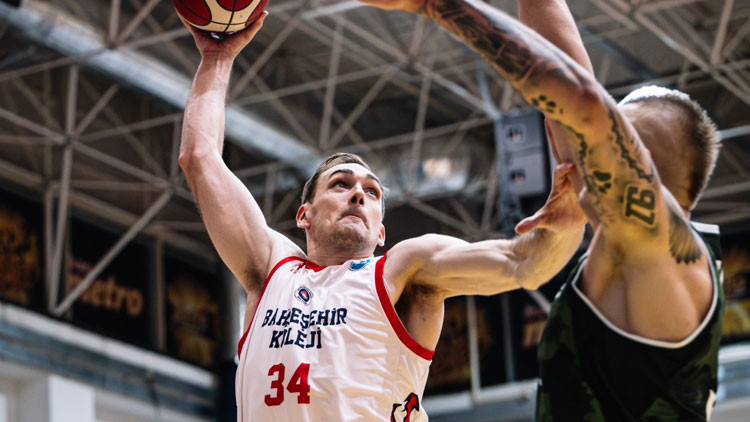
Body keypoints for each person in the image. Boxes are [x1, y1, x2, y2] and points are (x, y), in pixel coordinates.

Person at [177, 11, 585, 422]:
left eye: (371, 192)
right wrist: (217, 59)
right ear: (304, 215)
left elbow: (524, 262)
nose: (358, 194)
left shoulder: (404, 271)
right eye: (340, 184)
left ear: (381, 233)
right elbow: (199, 159)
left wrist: (570, 220)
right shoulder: (271, 268)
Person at [364, 0, 725, 419]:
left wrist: (434, 4)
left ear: (640, 165)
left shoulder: (666, 253)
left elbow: (579, 101)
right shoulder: (634, 253)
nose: (579, 150)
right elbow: (570, 95)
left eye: (601, 141)